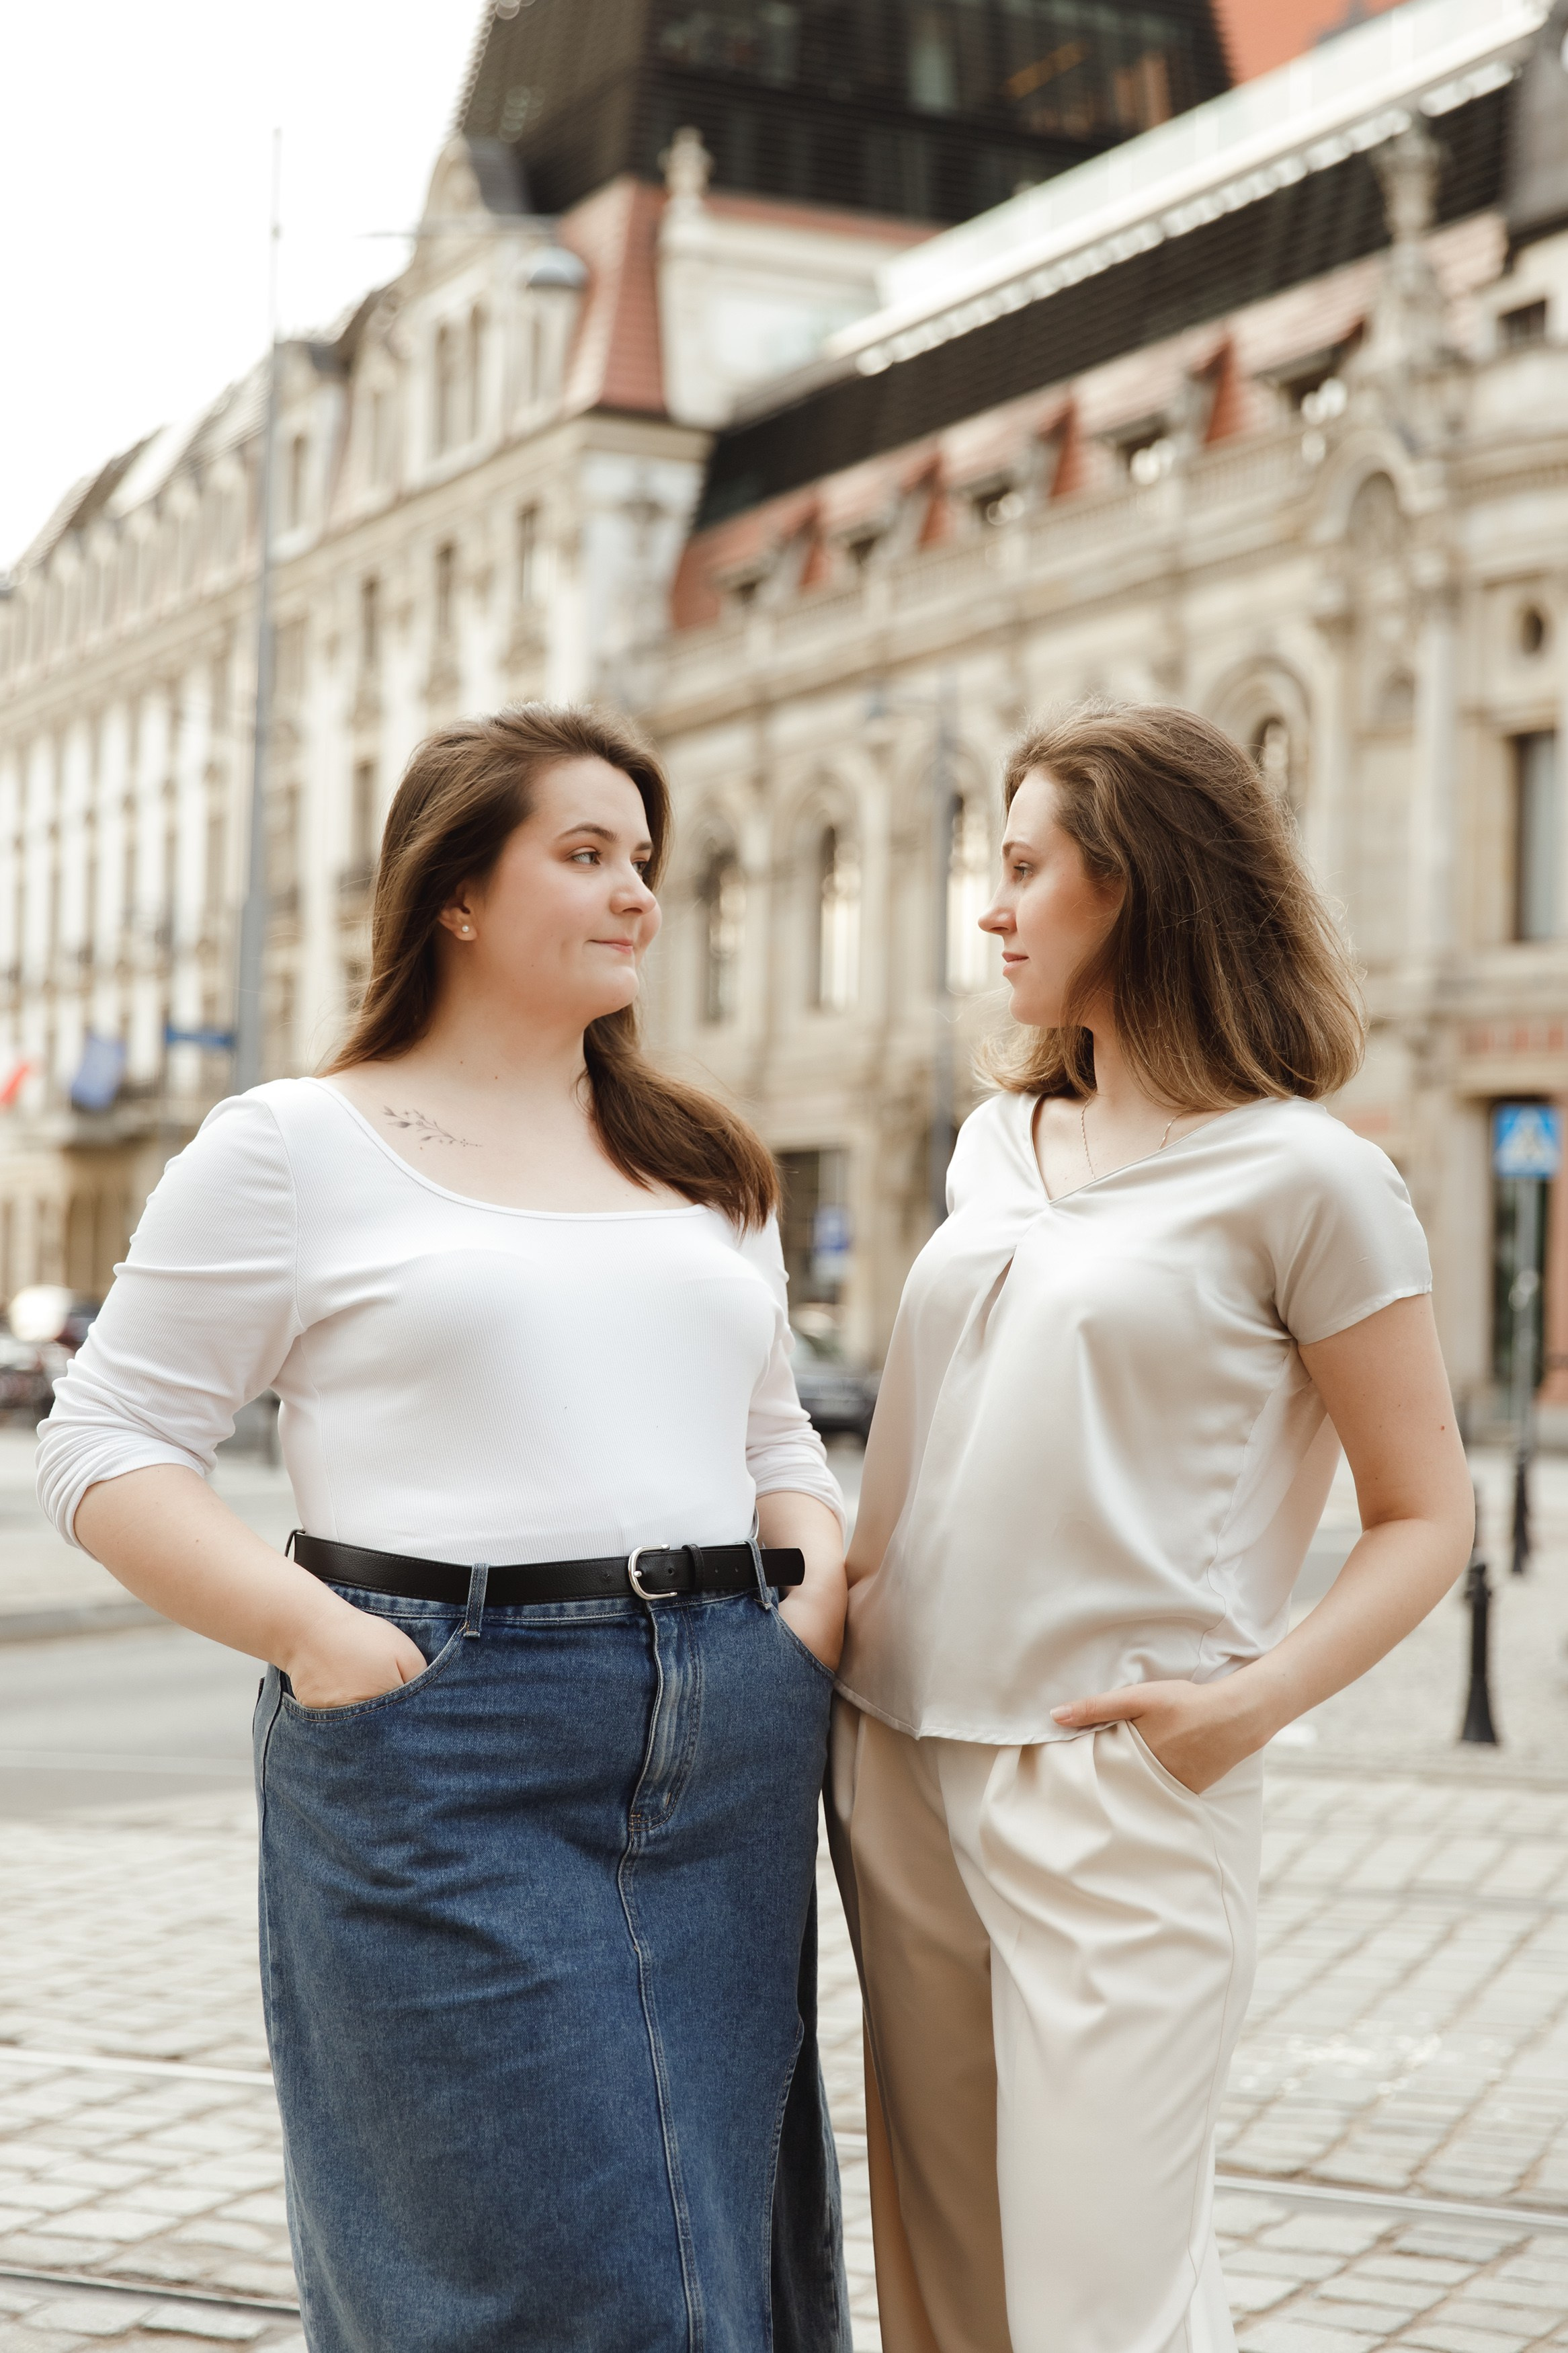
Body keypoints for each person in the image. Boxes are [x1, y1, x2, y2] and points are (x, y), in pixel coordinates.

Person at [37, 704, 852, 2353]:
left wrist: (807, 1609)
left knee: (712, 2248)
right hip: (447, 1734)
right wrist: (314, 1635)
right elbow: (104, 1440)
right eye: (586, 852)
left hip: (730, 1731)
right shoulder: (293, 1145)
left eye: (644, 858)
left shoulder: (703, 1162)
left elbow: (776, 1437)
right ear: (457, 893)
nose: (637, 892)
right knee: (530, 2273)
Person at [828, 701, 1473, 2353]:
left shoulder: (1313, 1179)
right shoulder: (996, 1144)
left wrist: (1245, 1706)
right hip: (896, 1754)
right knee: (950, 2298)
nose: (992, 912)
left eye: (1024, 869)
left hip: (1113, 1778)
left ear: (1140, 885)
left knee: (1101, 2304)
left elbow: (1427, 1513)